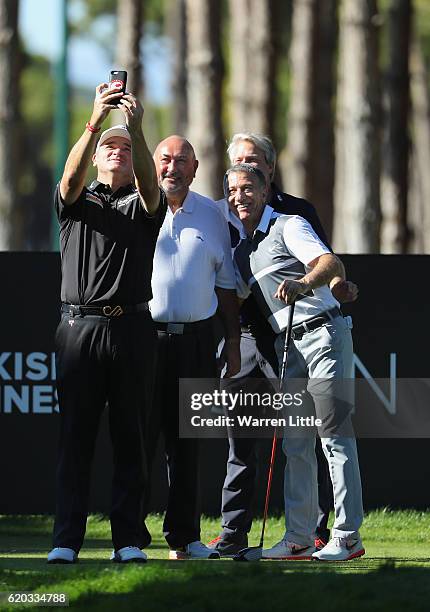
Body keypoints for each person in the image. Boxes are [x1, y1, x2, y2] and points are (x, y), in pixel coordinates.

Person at [208, 133, 357, 557]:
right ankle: (297, 539)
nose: (240, 197)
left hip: (322, 333)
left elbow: (329, 261)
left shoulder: (290, 223)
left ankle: (347, 536)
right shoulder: (242, 250)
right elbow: (231, 298)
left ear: (266, 186)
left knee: (334, 436)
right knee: (295, 443)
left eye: (248, 189)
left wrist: (306, 282)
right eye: (233, 191)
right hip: (286, 345)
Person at [47, 82, 166, 564]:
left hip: (133, 329)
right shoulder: (77, 201)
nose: (115, 152)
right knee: (75, 439)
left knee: (130, 438)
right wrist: (95, 122)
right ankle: (65, 541)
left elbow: (151, 187)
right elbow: (69, 177)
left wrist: (136, 130)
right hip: (79, 329)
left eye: (123, 147)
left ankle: (128, 542)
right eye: (108, 148)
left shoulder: (144, 205)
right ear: (98, 157)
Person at [146, 135, 241, 560]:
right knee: (140, 441)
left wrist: (234, 341)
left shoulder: (212, 215)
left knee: (188, 444)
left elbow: (225, 289)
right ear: (153, 164)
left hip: (197, 342)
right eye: (165, 159)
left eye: (182, 160)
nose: (172, 167)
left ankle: (184, 539)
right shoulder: (135, 207)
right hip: (143, 340)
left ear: (196, 168)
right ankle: (128, 538)